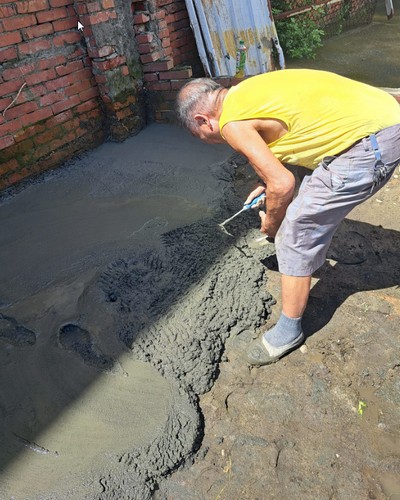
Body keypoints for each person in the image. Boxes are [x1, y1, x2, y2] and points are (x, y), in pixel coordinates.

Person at [176, 69, 400, 366]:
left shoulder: (231, 123)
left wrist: (271, 224)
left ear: (203, 121)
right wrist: (267, 181)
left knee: (295, 229)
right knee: (299, 196)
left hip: (370, 145)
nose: (210, 141)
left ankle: (289, 331)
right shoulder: (245, 91)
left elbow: (283, 185)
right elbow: (293, 138)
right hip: (386, 111)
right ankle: (303, 263)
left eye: (201, 136)